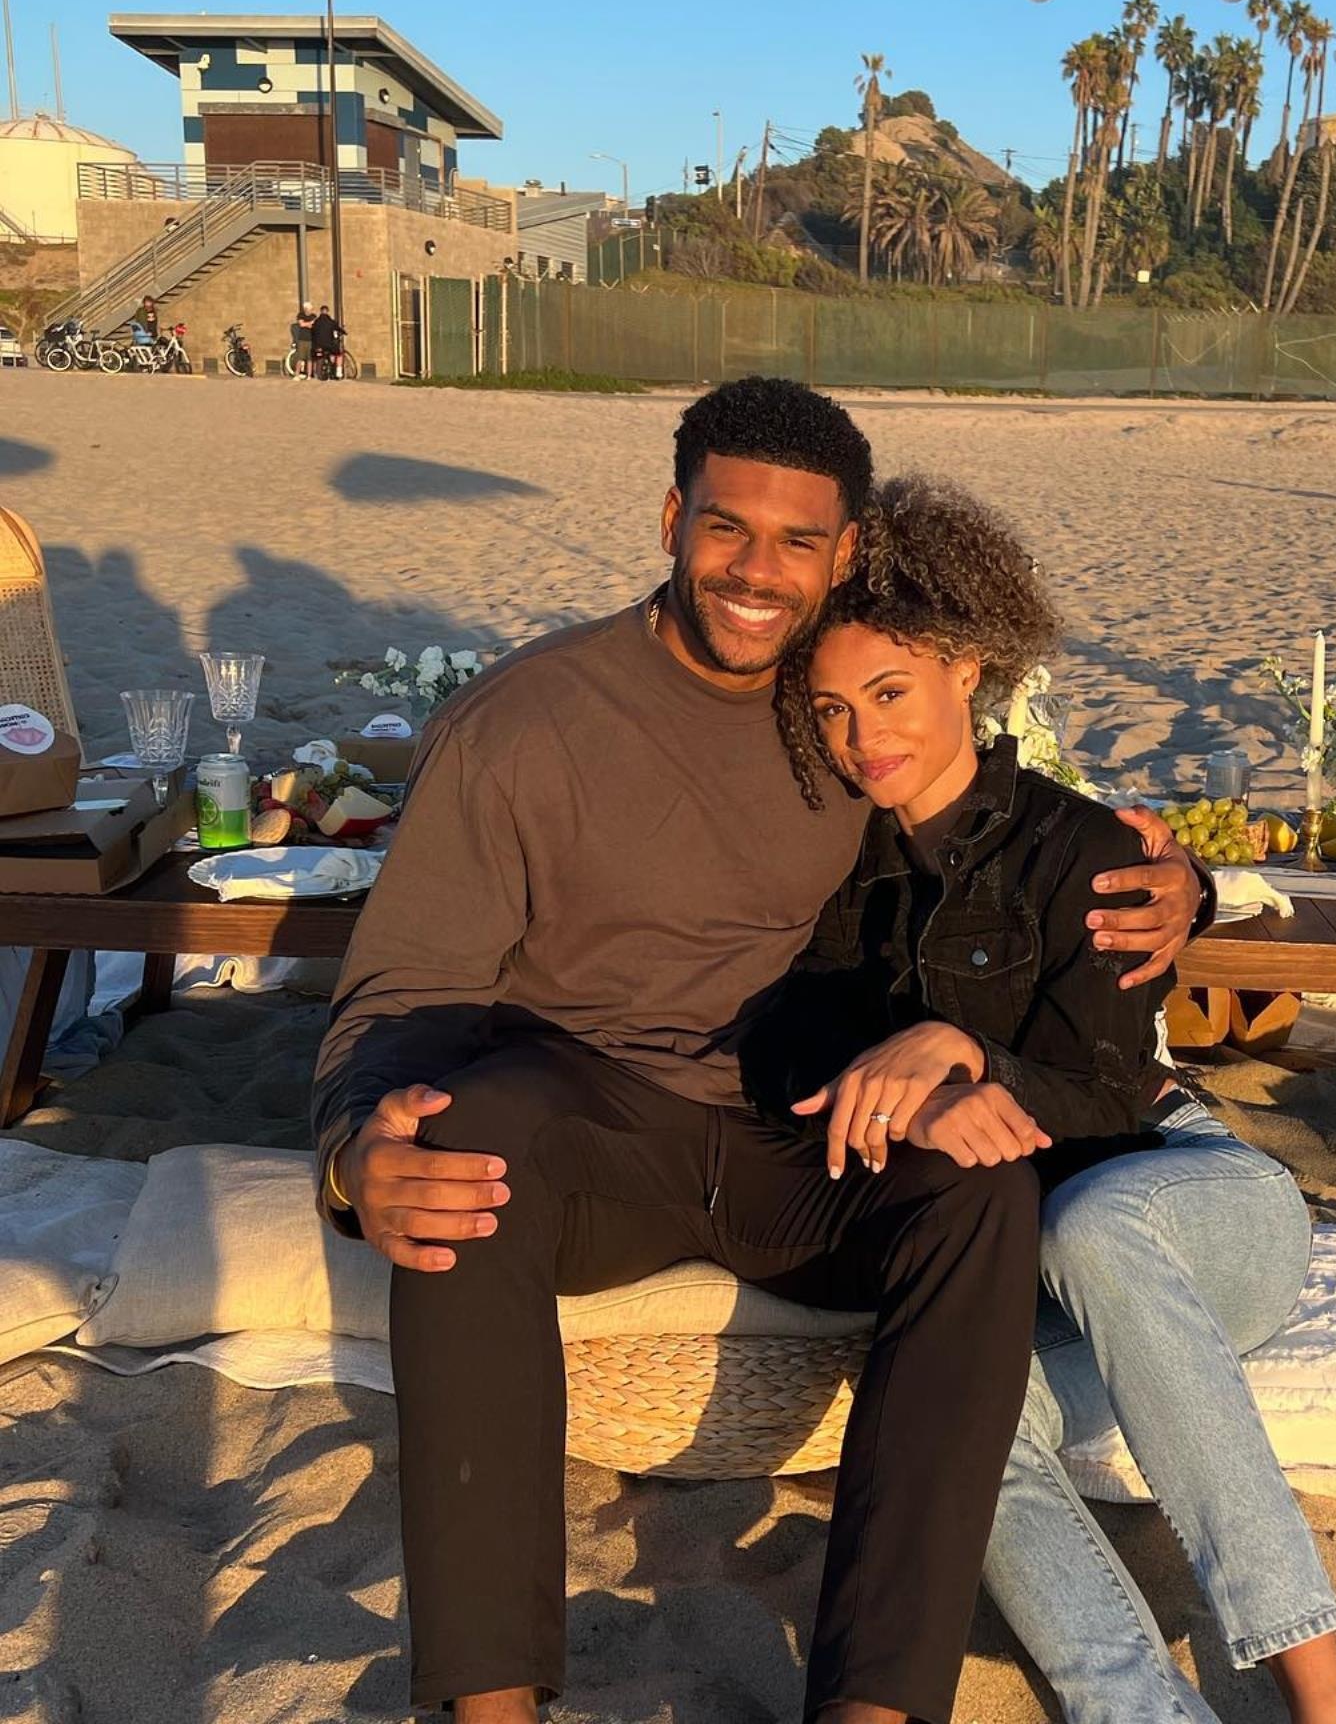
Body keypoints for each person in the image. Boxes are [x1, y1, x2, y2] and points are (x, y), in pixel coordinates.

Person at [310, 376, 1206, 1724]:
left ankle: (874, 1704)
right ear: (674, 519)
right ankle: (490, 1705)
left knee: (979, 1192)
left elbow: (1005, 842)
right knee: (459, 1149)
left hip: (808, 1125)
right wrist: (348, 1159)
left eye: (800, 543)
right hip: (600, 1120)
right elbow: (404, 985)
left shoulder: (849, 702)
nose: (757, 573)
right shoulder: (525, 723)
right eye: (728, 530)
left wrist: (1176, 883)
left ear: (848, 555)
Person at [757, 477, 1336, 1724]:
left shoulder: (1081, 849)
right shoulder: (839, 872)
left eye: (890, 695)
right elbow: (796, 1034)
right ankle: (1142, 1710)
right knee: (970, 1441)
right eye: (832, 711)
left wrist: (950, 1050)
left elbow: (1100, 1090)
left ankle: (1321, 1689)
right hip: (1031, 1280)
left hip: (1189, 1206)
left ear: (967, 671)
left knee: (1093, 1223)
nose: (865, 737)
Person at [311, 302, 344, 380]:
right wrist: (344, 332)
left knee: (315, 356)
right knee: (339, 354)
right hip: (329, 344)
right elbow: (338, 328)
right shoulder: (331, 321)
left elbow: (312, 331)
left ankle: (315, 373)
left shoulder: (316, 322)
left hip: (318, 344)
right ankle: (338, 372)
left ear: (321, 311)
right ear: (327, 311)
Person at [291, 300, 316, 379]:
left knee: (309, 359)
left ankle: (309, 375)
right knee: (300, 358)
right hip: (302, 339)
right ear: (305, 309)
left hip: (310, 339)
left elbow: (313, 326)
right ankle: (297, 375)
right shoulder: (300, 315)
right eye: (308, 309)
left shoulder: (313, 316)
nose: (310, 310)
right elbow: (301, 324)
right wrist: (309, 323)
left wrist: (307, 324)